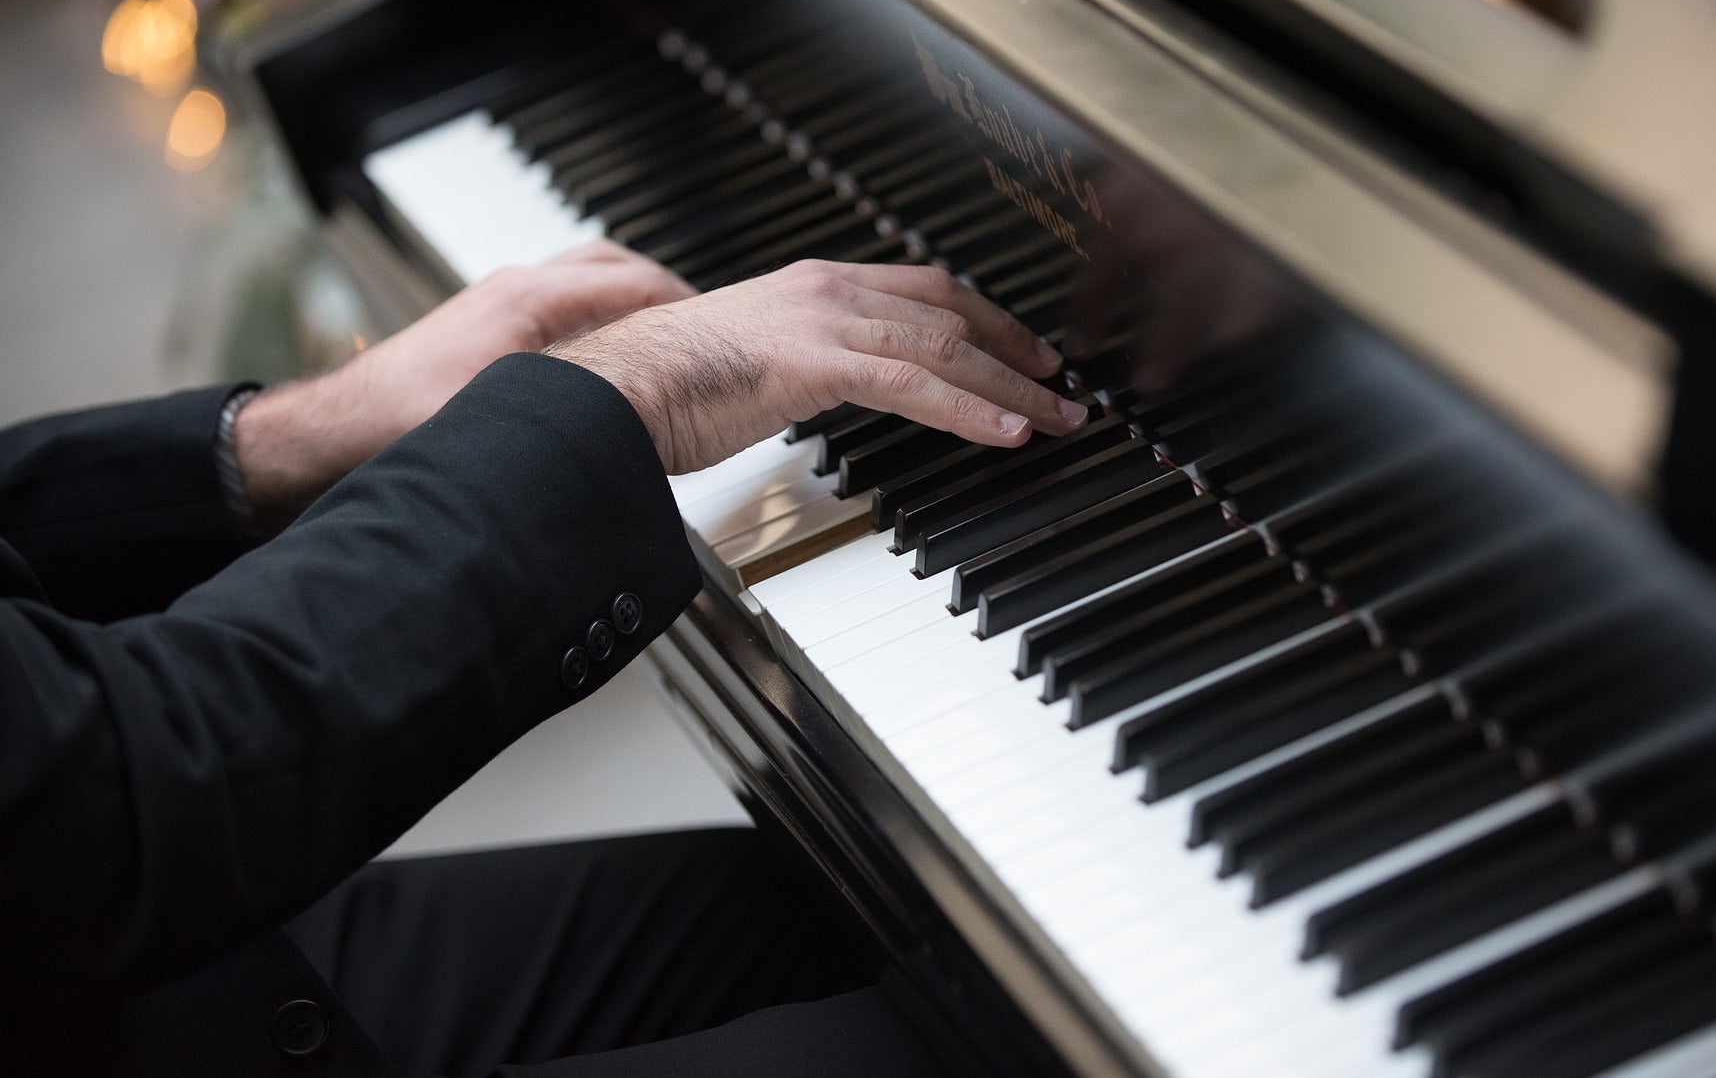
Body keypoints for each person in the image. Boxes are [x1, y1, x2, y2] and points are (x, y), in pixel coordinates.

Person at [0, 243, 1087, 1076]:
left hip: (126, 989)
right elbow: (99, 801)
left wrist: (283, 438)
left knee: (856, 909)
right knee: (1019, 1039)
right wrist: (629, 392)